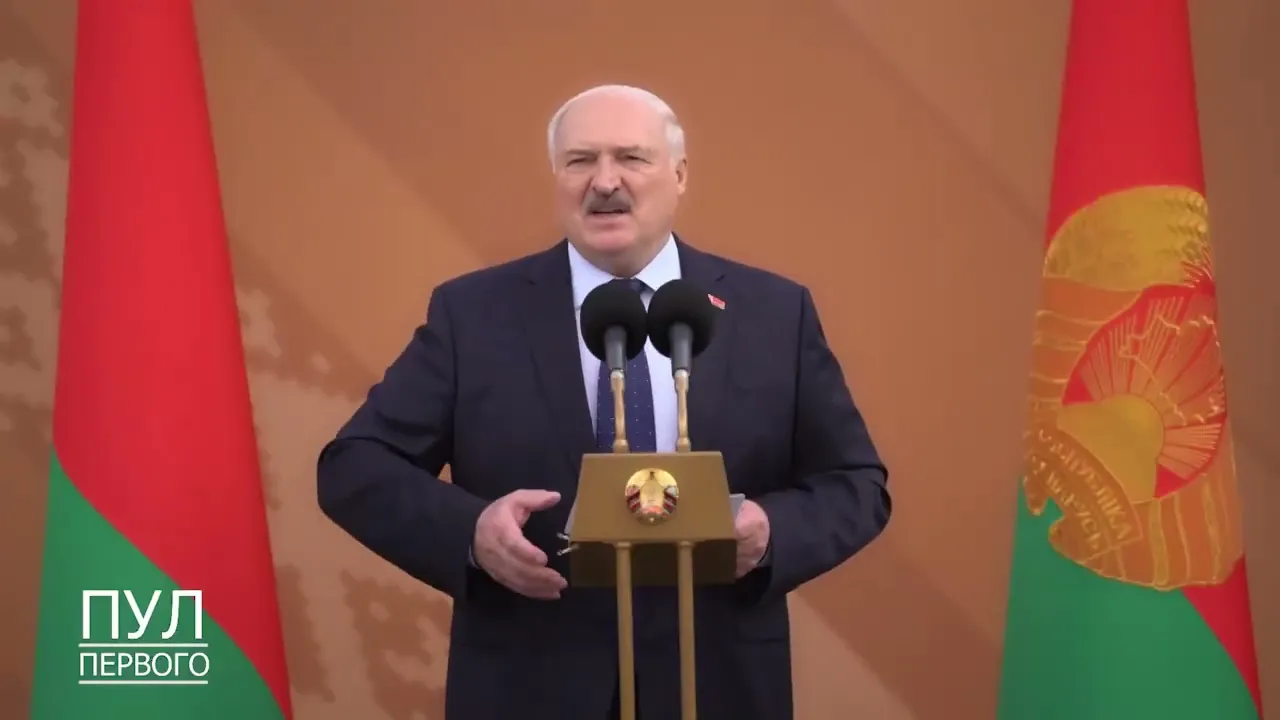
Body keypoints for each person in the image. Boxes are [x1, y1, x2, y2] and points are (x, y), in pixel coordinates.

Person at [316, 84, 891, 720]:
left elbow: (855, 483)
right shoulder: (474, 313)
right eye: (580, 160)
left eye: (632, 158)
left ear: (679, 175)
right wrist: (472, 534)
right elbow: (355, 466)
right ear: (556, 176)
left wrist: (771, 533)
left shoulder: (773, 313)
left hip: (719, 685)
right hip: (529, 689)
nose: (605, 181)